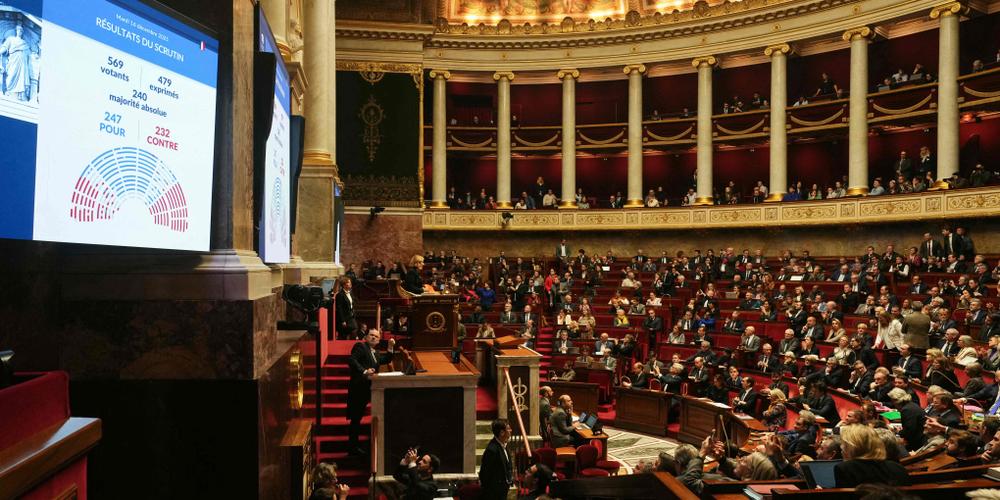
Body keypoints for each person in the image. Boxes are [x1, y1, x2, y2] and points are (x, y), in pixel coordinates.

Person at [347, 329, 395, 455]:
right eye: (371, 335)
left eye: (376, 336)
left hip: (368, 388)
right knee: (356, 418)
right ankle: (352, 447)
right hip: (358, 388)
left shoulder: (375, 352)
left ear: (379, 340)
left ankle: (355, 445)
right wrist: (364, 371)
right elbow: (352, 360)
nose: (374, 337)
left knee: (359, 417)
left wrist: (390, 347)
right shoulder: (360, 346)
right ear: (366, 336)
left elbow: (386, 359)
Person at [834, 425, 909, 488]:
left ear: (852, 446)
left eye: (844, 443)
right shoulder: (898, 468)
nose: (841, 447)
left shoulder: (844, 468)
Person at [479, 419, 514, 500]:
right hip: (494, 495)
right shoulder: (492, 450)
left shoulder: (503, 444)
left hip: (502, 492)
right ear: (502, 433)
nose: (511, 430)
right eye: (508, 429)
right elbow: (485, 474)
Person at [0, 25, 32, 101]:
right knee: (11, 75)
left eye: (21, 30)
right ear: (16, 31)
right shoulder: (11, 39)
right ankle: (9, 91)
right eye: (18, 30)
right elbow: (5, 47)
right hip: (13, 60)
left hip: (22, 61)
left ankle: (20, 94)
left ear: (22, 32)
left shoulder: (24, 43)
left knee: (22, 77)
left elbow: (29, 54)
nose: (20, 31)